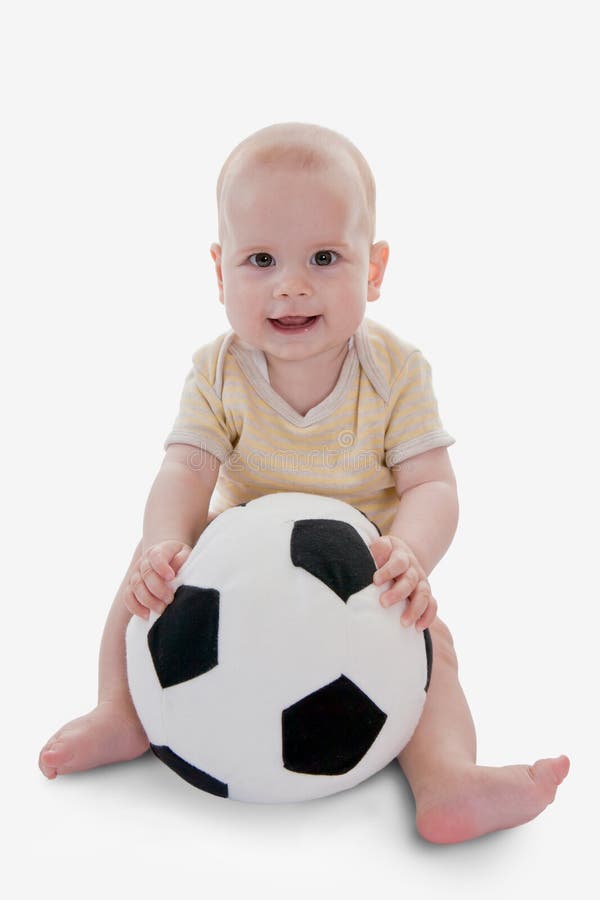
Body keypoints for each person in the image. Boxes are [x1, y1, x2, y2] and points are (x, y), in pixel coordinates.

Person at [38, 122, 569, 843]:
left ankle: (445, 777)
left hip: (362, 572)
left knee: (430, 648)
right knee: (138, 588)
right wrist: (164, 541)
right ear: (219, 271)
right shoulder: (218, 371)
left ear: (374, 270)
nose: (291, 285)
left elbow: (434, 486)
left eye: (324, 257)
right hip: (235, 560)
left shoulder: (396, 372)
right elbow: (185, 466)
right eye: (261, 260)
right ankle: (121, 712)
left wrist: (408, 556)